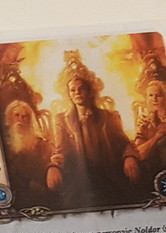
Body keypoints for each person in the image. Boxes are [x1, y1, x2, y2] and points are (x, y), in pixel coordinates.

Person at [46, 57, 141, 207]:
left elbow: (124, 143)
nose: (77, 93)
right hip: (79, 178)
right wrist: (53, 166)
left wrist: (130, 157)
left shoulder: (108, 117)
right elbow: (60, 150)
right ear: (69, 94)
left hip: (108, 174)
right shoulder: (62, 120)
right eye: (73, 90)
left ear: (90, 92)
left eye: (81, 89)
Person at [2, 99, 58, 208]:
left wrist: (52, 166)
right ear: (9, 118)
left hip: (41, 191)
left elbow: (53, 156)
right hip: (17, 193)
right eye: (17, 115)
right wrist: (27, 183)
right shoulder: (4, 144)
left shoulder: (39, 143)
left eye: (25, 117)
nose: (20, 119)